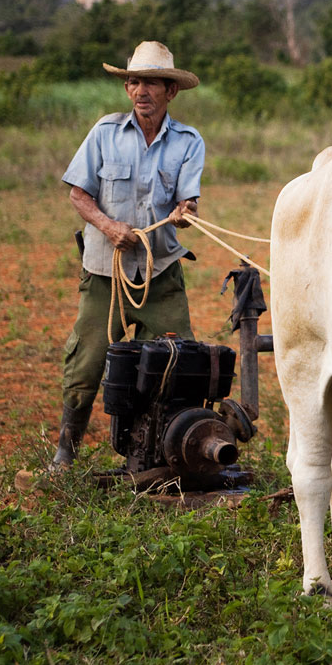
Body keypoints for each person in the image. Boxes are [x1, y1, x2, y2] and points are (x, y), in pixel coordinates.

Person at [52, 41, 205, 468]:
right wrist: (109, 227)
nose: (141, 90)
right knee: (85, 367)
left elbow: (188, 206)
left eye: (151, 82)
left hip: (162, 276)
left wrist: (184, 213)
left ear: (170, 91)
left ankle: (154, 455)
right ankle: (66, 453)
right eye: (134, 81)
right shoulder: (104, 132)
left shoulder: (189, 143)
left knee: (176, 366)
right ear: (127, 89)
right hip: (106, 273)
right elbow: (78, 195)